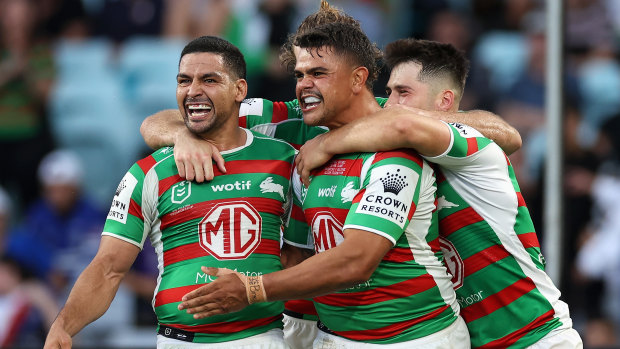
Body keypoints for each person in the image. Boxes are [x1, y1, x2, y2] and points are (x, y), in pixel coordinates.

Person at [140, 2, 520, 347]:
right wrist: (186, 137)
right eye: (300, 72)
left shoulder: (399, 125)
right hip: (312, 323)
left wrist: (331, 143)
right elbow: (158, 122)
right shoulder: (288, 116)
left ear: (357, 78)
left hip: (405, 327)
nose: (304, 83)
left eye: (319, 72)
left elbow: (502, 134)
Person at [292, 38, 583, 348]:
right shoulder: (406, 157)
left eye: (403, 93)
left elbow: (506, 135)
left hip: (535, 337)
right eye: (389, 92)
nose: (388, 105)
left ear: (444, 101)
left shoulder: (474, 153)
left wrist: (325, 143)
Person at [44, 36, 299, 349]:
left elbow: (303, 254)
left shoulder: (284, 159)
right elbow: (108, 268)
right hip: (179, 342)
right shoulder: (149, 171)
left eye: (209, 80)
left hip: (263, 338)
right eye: (184, 80)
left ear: (240, 90)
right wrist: (64, 325)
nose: (193, 91)